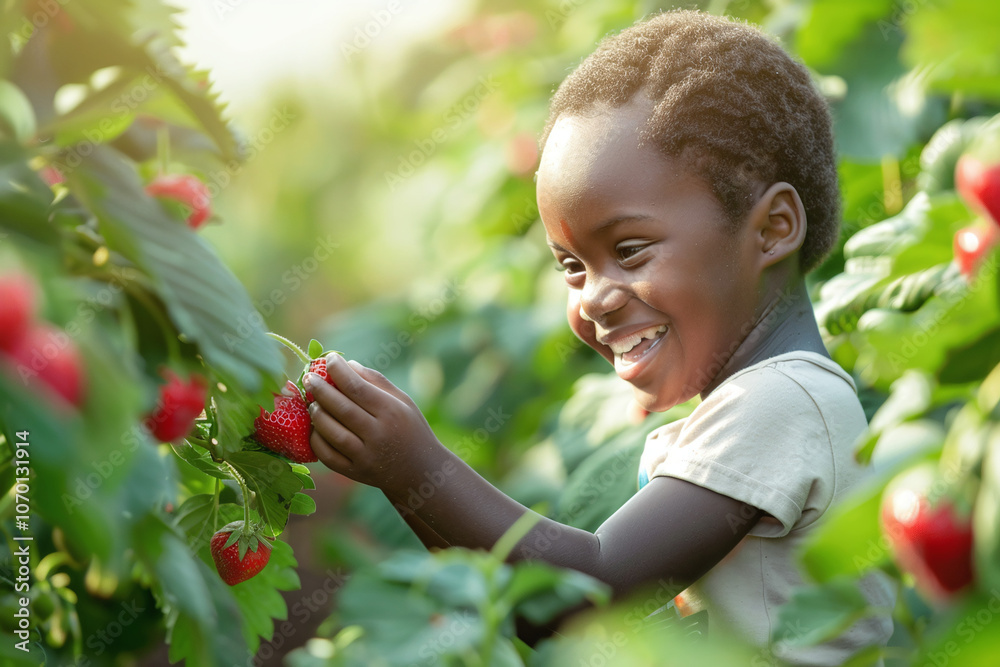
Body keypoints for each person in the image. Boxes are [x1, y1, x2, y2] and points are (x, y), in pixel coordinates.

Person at [303, 9, 895, 664]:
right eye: (572, 266)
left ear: (773, 228)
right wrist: (400, 475)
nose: (594, 296)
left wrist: (415, 463)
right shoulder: (757, 403)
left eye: (631, 249)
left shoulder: (783, 402)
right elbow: (539, 611)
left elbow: (587, 590)